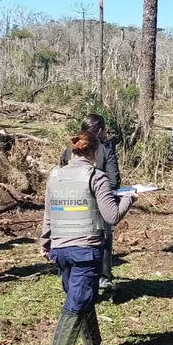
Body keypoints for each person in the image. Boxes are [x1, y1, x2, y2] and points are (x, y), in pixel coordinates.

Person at [41, 131, 136, 345]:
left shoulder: (55, 175)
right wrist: (129, 198)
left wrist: (45, 242)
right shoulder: (97, 177)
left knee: (82, 294)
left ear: (73, 151)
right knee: (78, 300)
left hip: (60, 250)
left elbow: (49, 213)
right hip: (85, 249)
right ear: (95, 153)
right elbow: (112, 216)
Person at [59, 114, 121, 291]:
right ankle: (104, 277)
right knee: (104, 238)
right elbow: (114, 179)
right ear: (100, 130)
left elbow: (61, 173)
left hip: (69, 201)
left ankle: (71, 275)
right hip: (97, 203)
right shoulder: (105, 148)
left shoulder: (70, 148)